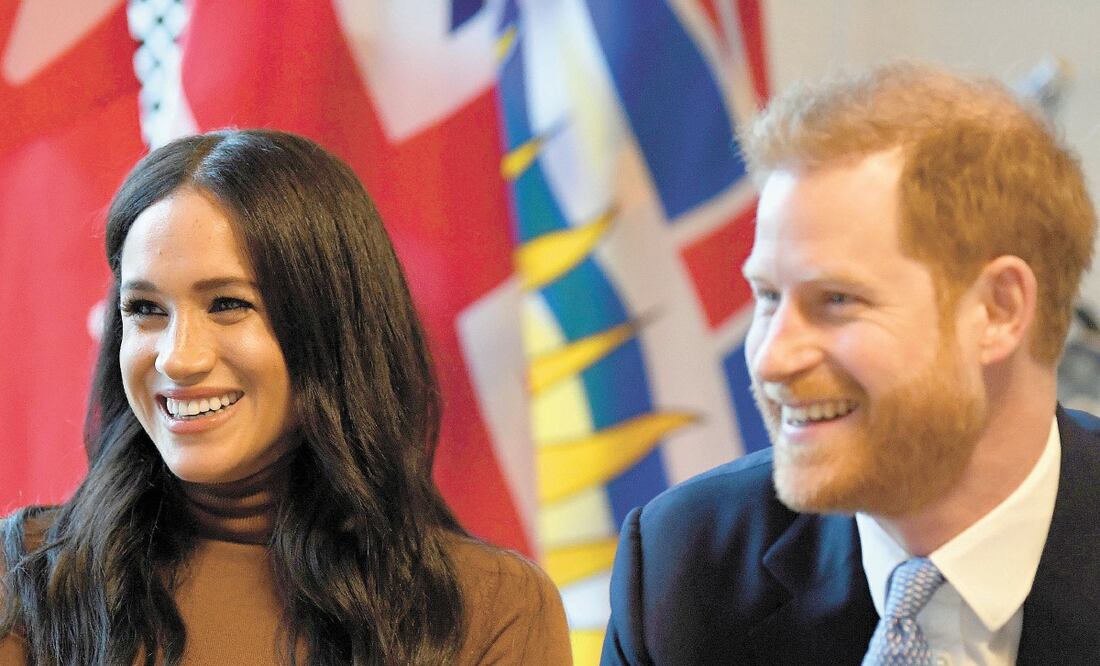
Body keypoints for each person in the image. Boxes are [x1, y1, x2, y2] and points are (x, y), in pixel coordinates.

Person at [0, 129, 572, 665]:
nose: (177, 358)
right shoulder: (24, 579)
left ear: (334, 326)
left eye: (228, 304)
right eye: (145, 310)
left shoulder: (491, 608)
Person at [602, 62, 1100, 665]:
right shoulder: (686, 567)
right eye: (767, 297)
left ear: (998, 310)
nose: (772, 358)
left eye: (836, 301)